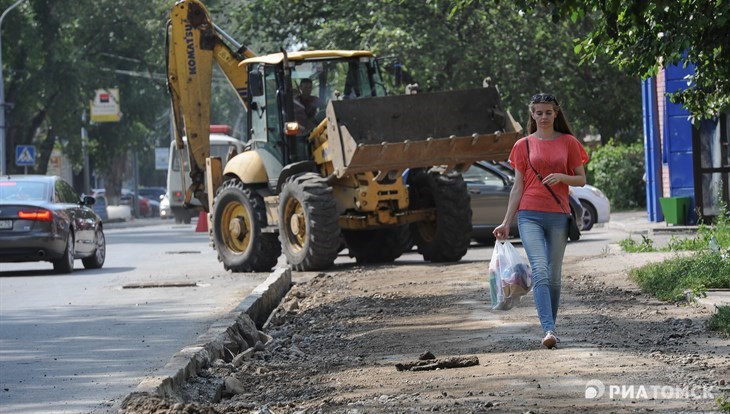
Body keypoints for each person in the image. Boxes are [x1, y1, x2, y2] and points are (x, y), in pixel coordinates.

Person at [493, 93, 589, 349]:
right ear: (532, 115)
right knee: (541, 271)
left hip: (558, 215)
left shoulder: (569, 142)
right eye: (538, 112)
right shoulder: (522, 145)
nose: (543, 117)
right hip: (529, 214)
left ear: (556, 113)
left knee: (554, 276)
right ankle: (548, 329)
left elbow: (581, 179)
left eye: (548, 112)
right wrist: (505, 222)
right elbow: (517, 187)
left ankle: (551, 327)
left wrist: (562, 177)